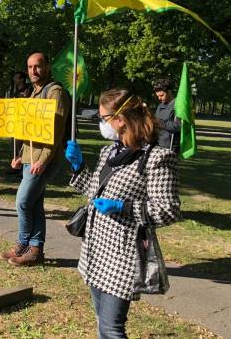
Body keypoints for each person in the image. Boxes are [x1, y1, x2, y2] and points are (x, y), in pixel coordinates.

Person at [64, 88, 180, 339]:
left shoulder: (157, 158)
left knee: (111, 328)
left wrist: (123, 207)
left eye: (103, 118)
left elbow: (168, 210)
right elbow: (95, 194)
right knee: (101, 321)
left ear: (120, 120)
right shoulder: (109, 152)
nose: (101, 123)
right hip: (96, 249)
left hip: (122, 255)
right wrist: (78, 167)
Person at [0, 52, 70, 266]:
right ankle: (35, 250)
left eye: (38, 66)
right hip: (30, 158)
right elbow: (28, 129)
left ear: (47, 67)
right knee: (34, 203)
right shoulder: (34, 93)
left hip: (44, 160)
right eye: (30, 67)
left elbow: (56, 131)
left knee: (22, 202)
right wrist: (20, 156)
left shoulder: (55, 93)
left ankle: (23, 243)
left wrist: (44, 160)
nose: (33, 71)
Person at [153, 78, 180, 153]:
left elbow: (178, 126)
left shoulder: (178, 106)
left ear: (169, 92)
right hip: (157, 144)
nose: (159, 98)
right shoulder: (160, 106)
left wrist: (160, 123)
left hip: (170, 147)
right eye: (158, 96)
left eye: (161, 95)